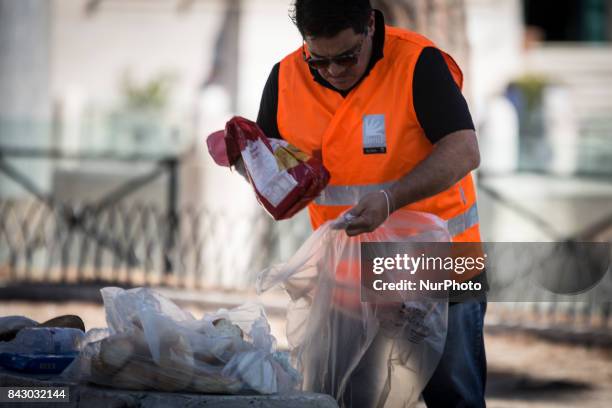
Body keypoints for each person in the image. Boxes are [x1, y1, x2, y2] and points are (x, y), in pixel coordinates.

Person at [255, 0, 487, 406]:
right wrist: (244, 161)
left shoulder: (417, 63)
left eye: (346, 57)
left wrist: (390, 199)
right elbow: (275, 173)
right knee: (345, 398)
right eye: (319, 61)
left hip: (439, 267)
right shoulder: (285, 79)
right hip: (348, 279)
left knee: (454, 398)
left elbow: (464, 150)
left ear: (369, 25)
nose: (334, 71)